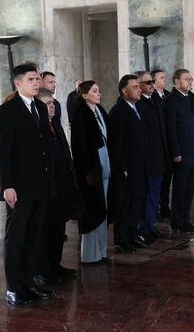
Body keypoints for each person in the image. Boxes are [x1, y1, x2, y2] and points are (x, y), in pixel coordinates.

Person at [0, 64, 56, 307]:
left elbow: (45, 148)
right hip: (19, 186)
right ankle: (14, 288)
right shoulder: (8, 110)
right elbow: (3, 151)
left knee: (35, 237)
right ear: (18, 83)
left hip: (41, 185)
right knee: (17, 239)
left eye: (38, 78)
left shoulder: (41, 107)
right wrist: (7, 185)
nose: (36, 82)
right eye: (31, 79)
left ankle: (30, 284)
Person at [34, 88, 83, 281]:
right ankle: (42, 270)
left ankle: (55, 265)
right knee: (45, 231)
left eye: (53, 102)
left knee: (58, 229)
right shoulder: (38, 128)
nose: (52, 106)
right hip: (48, 188)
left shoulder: (55, 124)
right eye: (47, 103)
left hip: (62, 186)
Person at [70, 81, 113, 264]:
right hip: (91, 168)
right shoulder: (81, 114)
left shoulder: (100, 112)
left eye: (99, 90)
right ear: (85, 95)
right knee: (92, 210)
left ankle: (101, 252)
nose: (99, 94)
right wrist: (87, 171)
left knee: (102, 209)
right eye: (95, 91)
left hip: (104, 163)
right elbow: (79, 147)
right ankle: (89, 256)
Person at [109, 74, 148, 252]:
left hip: (139, 165)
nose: (139, 89)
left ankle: (132, 235)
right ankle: (122, 239)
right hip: (127, 167)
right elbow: (116, 143)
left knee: (136, 201)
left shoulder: (135, 108)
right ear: (124, 91)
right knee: (125, 204)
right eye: (135, 87)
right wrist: (122, 167)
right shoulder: (118, 111)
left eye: (139, 87)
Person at [165, 69, 194, 233]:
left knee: (189, 190)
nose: (190, 81)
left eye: (191, 78)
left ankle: (185, 220)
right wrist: (176, 152)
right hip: (181, 152)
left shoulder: (191, 97)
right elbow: (171, 129)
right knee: (180, 189)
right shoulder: (171, 101)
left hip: (193, 150)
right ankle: (177, 222)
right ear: (176, 81)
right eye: (187, 79)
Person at [136, 71, 170, 241]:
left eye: (151, 82)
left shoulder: (156, 100)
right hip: (147, 160)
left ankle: (151, 226)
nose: (150, 85)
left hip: (159, 158)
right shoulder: (139, 104)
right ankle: (143, 228)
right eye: (146, 82)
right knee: (146, 195)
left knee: (155, 195)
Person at [151, 69, 172, 220]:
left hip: (169, 145)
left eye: (165, 77)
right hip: (158, 145)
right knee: (159, 180)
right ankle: (158, 209)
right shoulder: (151, 98)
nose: (165, 79)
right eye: (161, 78)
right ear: (154, 81)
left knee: (167, 181)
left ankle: (165, 207)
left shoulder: (169, 96)